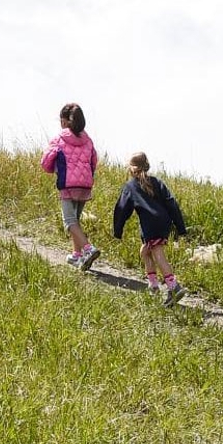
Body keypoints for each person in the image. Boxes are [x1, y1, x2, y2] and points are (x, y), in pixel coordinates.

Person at [111, 153, 187, 305]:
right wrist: (180, 226)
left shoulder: (130, 186)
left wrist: (117, 230)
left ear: (132, 169)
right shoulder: (157, 182)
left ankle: (173, 287)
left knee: (157, 252)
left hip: (150, 224)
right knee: (145, 251)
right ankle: (153, 286)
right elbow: (171, 203)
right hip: (164, 221)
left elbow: (121, 209)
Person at [41, 103, 100, 271]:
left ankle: (89, 249)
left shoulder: (59, 139)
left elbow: (45, 162)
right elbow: (94, 161)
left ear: (66, 122)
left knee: (69, 221)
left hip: (68, 184)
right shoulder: (88, 140)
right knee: (76, 220)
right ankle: (77, 255)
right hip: (85, 185)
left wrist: (53, 169)